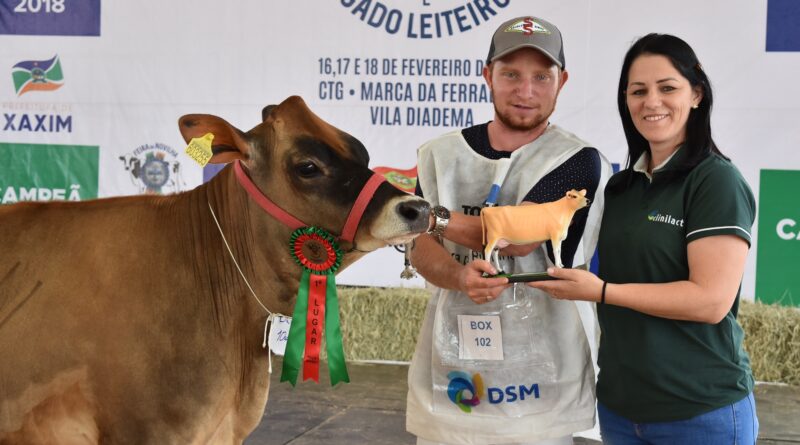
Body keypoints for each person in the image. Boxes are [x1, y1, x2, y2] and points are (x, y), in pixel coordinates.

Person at [530, 33, 759, 444]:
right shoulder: (619, 187)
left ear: (696, 95)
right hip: (619, 411)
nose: (651, 102)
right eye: (638, 91)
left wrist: (601, 292)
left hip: (700, 411)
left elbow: (710, 301)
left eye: (667, 88)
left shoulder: (715, 180)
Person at [405, 15, 611, 445]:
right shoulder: (439, 155)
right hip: (454, 366)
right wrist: (458, 275)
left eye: (541, 76)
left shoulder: (576, 159)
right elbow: (419, 247)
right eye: (511, 74)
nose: (526, 90)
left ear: (562, 80)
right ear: (487, 75)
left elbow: (518, 238)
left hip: (540, 379)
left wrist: (431, 216)